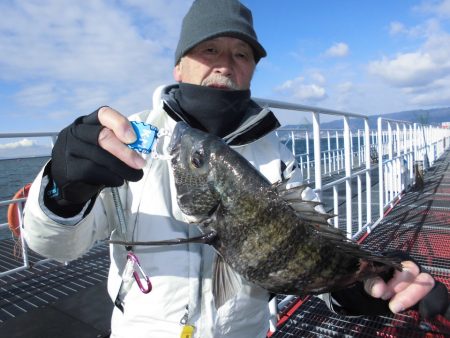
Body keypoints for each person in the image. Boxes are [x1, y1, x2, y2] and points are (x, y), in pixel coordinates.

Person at [23, 0, 445, 337]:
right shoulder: (124, 139)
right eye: (209, 49)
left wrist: (365, 282)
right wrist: (62, 192)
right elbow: (56, 248)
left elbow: (310, 252)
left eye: (241, 53)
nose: (225, 63)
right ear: (178, 65)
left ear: (252, 70)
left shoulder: (275, 152)